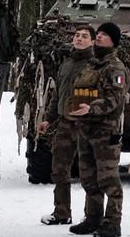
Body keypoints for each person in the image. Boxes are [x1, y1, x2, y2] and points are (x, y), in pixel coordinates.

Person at [65, 21, 128, 237]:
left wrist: (90, 108)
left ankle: (112, 222)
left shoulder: (115, 67)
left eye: (103, 34)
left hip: (105, 131)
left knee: (108, 179)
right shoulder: (91, 65)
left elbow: (114, 99)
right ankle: (92, 218)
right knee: (88, 178)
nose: (98, 37)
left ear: (113, 40)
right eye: (98, 34)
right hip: (85, 129)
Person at [39, 24, 95, 225]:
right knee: (59, 170)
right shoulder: (67, 63)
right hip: (64, 125)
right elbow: (57, 95)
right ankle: (62, 212)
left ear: (92, 41)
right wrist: (48, 118)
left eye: (84, 36)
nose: (79, 39)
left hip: (86, 126)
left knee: (89, 173)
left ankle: (92, 215)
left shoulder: (96, 65)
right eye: (77, 36)